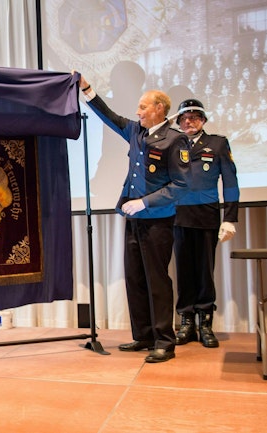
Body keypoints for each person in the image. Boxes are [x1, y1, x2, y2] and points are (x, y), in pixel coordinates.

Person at [76, 72, 190, 363]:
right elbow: (110, 116)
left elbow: (180, 186)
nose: (137, 111)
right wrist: (88, 90)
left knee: (157, 280)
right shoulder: (137, 132)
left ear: (159, 109)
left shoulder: (175, 140)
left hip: (158, 219)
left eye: (143, 107)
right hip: (134, 219)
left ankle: (165, 340)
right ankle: (143, 335)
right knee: (135, 278)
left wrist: (145, 202)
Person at [173, 99, 239, 348]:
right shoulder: (173, 144)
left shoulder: (217, 143)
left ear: (203, 120)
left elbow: (230, 182)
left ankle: (205, 323)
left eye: (194, 116)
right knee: (183, 271)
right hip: (178, 216)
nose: (189, 121)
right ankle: (186, 322)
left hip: (206, 216)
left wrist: (230, 218)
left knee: (204, 272)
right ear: (178, 122)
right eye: (184, 118)